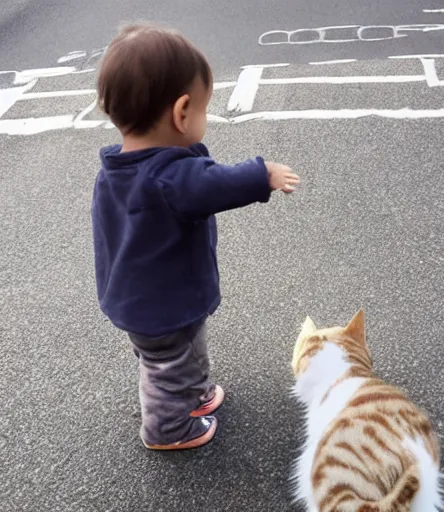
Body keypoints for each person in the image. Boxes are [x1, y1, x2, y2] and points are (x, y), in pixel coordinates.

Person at [91, 23, 300, 450]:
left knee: (183, 351)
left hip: (140, 299)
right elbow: (216, 183)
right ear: (181, 112)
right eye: (205, 107)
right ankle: (167, 428)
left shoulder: (116, 168)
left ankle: (195, 392)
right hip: (164, 305)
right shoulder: (170, 176)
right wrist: (264, 174)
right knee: (167, 365)